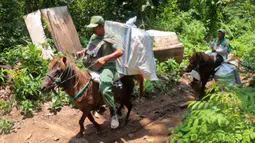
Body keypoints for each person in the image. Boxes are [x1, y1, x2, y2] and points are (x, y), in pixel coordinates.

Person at [76, 16, 123, 129]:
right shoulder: (94, 36)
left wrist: (105, 58)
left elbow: (120, 51)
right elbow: (90, 47)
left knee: (105, 88)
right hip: (94, 65)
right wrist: (82, 51)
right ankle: (95, 104)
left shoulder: (111, 36)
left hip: (107, 67)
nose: (93, 30)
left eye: (95, 28)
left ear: (102, 26)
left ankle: (113, 113)